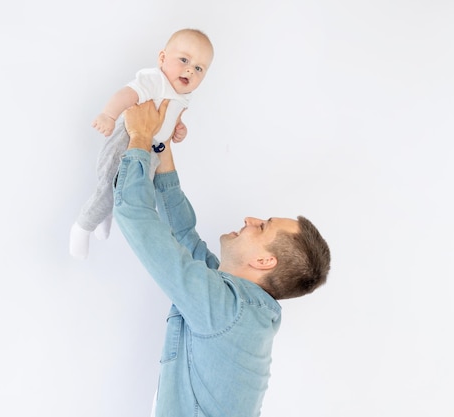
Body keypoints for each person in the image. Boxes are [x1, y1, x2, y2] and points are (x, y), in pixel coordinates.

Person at [113, 100, 331, 417]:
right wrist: (160, 145)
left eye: (264, 226)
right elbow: (183, 237)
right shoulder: (239, 307)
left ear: (265, 261)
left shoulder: (227, 309)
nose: (250, 219)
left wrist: (139, 137)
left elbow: (136, 218)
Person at [69, 28, 214, 260]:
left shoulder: (183, 96)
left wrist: (178, 129)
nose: (190, 69)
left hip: (150, 151)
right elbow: (128, 94)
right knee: (110, 185)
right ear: (163, 58)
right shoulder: (156, 80)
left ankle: (105, 216)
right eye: (184, 60)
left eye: (199, 68)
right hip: (127, 140)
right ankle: (82, 227)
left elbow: (171, 118)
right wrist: (109, 114)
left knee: (128, 191)